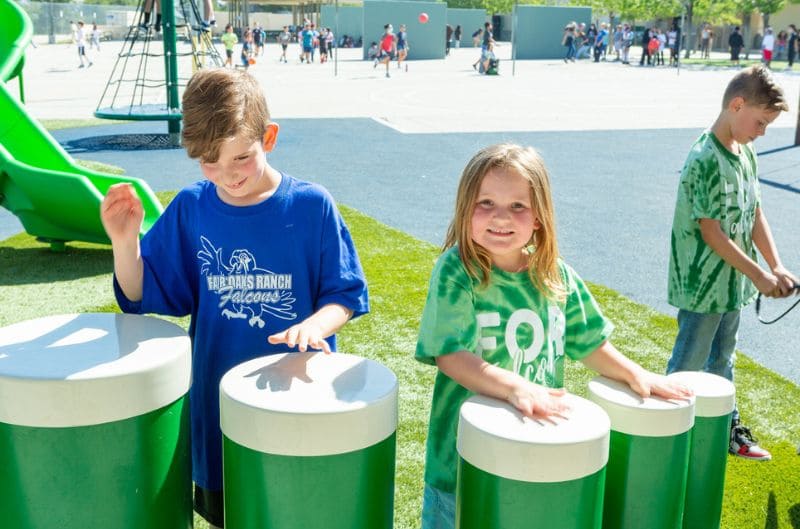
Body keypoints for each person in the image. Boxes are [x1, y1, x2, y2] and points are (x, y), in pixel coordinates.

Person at [99, 68, 369, 529]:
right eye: (208, 161)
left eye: (241, 157)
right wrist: (125, 243)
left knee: (294, 511)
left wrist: (315, 326)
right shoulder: (192, 207)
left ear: (269, 136)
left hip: (297, 402)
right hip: (217, 408)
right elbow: (141, 295)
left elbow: (344, 295)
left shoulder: (312, 205)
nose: (227, 174)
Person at [416, 143, 692, 529]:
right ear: (465, 208)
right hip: (461, 462)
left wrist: (635, 373)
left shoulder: (555, 276)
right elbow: (450, 354)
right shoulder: (457, 271)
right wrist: (514, 387)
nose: (501, 218)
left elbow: (590, 342)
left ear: (539, 217)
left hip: (534, 450)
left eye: (517, 206)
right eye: (486, 203)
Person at [666, 65, 796, 462]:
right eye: (761, 122)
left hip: (731, 285)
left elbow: (755, 213)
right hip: (701, 285)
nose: (763, 132)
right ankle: (666, 438)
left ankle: (724, 428)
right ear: (736, 105)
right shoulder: (704, 157)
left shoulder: (747, 153)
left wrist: (776, 265)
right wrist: (758, 274)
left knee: (723, 358)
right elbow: (712, 233)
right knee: (688, 363)